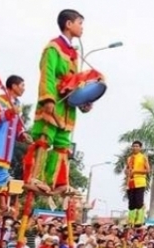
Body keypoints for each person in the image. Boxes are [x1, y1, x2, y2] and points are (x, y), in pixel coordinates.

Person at [24, 9, 93, 197]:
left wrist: (84, 100)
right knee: (45, 138)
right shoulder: (53, 47)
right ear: (69, 24)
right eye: (80, 23)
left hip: (67, 106)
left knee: (63, 144)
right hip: (54, 100)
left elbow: (74, 81)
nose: (82, 28)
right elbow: (47, 73)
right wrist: (48, 98)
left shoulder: (74, 52)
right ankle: (36, 177)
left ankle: (60, 182)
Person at [0, 75, 30, 213]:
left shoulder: (17, 104)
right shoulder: (1, 99)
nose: (24, 89)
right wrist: (9, 112)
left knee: (3, 174)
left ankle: (2, 202)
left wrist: (22, 134)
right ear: (13, 86)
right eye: (22, 85)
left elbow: (18, 124)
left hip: (7, 147)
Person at [125, 140, 150, 227]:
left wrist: (136, 171)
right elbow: (127, 170)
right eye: (133, 146)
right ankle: (131, 220)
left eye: (137, 146)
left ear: (140, 148)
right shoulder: (129, 158)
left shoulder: (143, 157)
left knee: (139, 202)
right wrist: (127, 173)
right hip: (131, 182)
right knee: (131, 202)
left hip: (140, 181)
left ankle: (139, 220)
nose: (135, 147)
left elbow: (148, 170)